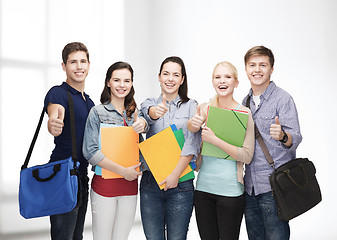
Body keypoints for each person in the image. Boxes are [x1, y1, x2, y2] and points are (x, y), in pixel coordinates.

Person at [187, 61, 255, 240]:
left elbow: (247, 156)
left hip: (231, 192)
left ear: (236, 82)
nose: (222, 81)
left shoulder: (244, 113)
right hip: (203, 190)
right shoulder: (203, 108)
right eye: (217, 77)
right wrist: (193, 125)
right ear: (212, 81)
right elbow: (191, 136)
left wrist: (215, 140)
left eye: (227, 77)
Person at [242, 46, 302, 240]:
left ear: (271, 69)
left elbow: (295, 137)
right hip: (250, 187)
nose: (257, 70)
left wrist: (283, 136)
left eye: (263, 65)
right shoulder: (245, 102)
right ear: (246, 69)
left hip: (273, 187)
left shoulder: (283, 99)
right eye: (252, 65)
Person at [82, 61, 147, 240]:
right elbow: (90, 152)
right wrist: (123, 171)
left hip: (130, 187)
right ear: (108, 82)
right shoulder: (97, 112)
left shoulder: (134, 113)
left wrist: (142, 124)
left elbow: (144, 129)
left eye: (127, 81)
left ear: (132, 84)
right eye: (117, 80)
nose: (122, 85)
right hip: (104, 187)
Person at [140, 56, 200, 240]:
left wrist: (175, 175)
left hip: (181, 185)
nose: (170, 79)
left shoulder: (192, 106)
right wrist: (153, 113)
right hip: (151, 184)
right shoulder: (149, 103)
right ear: (159, 77)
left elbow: (192, 143)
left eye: (176, 75)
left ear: (182, 79)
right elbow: (146, 116)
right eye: (166, 74)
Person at [44, 42, 95, 240]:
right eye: (73, 62)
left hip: (81, 175)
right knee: (63, 236)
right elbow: (55, 115)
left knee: (77, 236)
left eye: (83, 61)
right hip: (63, 175)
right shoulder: (58, 93)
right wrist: (53, 124)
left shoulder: (89, 102)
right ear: (64, 66)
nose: (79, 66)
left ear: (89, 65)